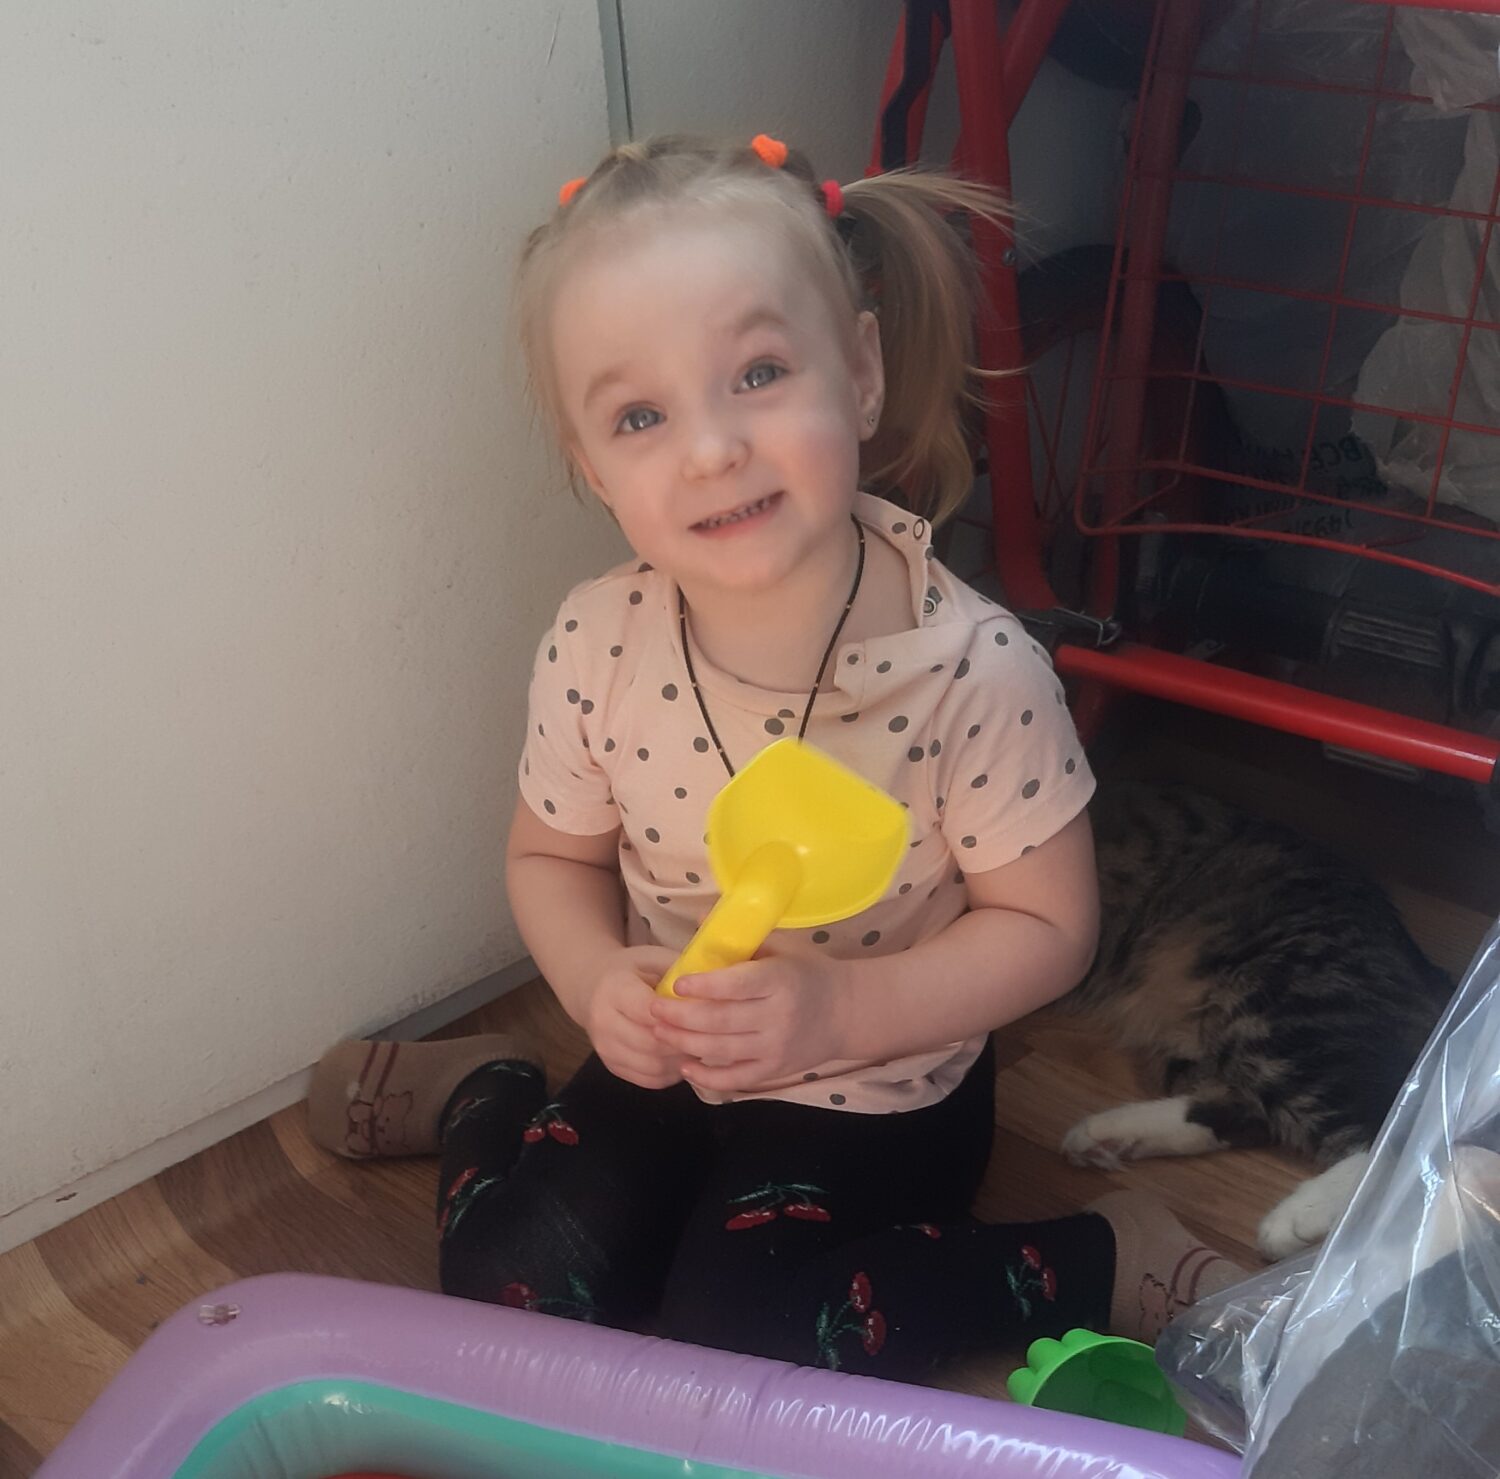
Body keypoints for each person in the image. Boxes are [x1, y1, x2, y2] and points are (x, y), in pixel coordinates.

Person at [308, 134, 1244, 1379]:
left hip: (882, 1086)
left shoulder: (974, 671)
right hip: (669, 1063)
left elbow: (1049, 929)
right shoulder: (596, 642)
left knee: (747, 1344)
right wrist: (594, 983)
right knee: (513, 1288)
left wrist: (838, 1010)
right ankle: (491, 1093)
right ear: (592, 467)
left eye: (757, 373)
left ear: (860, 372)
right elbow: (551, 859)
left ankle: (1098, 1257)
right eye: (640, 415)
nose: (710, 450)